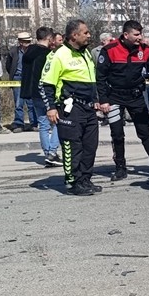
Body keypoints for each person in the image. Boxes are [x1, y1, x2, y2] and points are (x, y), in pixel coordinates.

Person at [39, 19, 107, 196]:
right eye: (85, 32)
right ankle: (73, 182)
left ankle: (85, 179)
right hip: (70, 108)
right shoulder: (58, 55)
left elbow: (93, 81)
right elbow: (45, 84)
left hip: (89, 108)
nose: (89, 35)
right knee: (72, 146)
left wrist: (98, 100)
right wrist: (51, 108)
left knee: (90, 146)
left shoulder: (85, 54)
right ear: (74, 35)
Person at [97, 20, 149, 182]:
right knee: (117, 134)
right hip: (114, 97)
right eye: (136, 34)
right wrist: (103, 100)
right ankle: (120, 167)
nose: (140, 37)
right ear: (126, 34)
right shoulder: (110, 50)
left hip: (136, 97)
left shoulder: (145, 49)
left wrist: (148, 79)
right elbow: (100, 77)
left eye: (140, 34)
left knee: (144, 132)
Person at [21, 27, 60, 167]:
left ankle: (47, 153)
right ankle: (53, 152)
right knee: (58, 122)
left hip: (32, 92)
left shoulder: (27, 52)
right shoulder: (46, 55)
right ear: (49, 38)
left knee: (43, 124)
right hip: (44, 92)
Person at [6, 32, 37, 130]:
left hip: (29, 78)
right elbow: (8, 65)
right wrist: (13, 74)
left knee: (31, 103)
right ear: (20, 42)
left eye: (28, 40)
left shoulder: (33, 50)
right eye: (25, 41)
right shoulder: (13, 51)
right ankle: (19, 124)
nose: (27, 42)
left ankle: (34, 124)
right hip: (17, 78)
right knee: (19, 103)